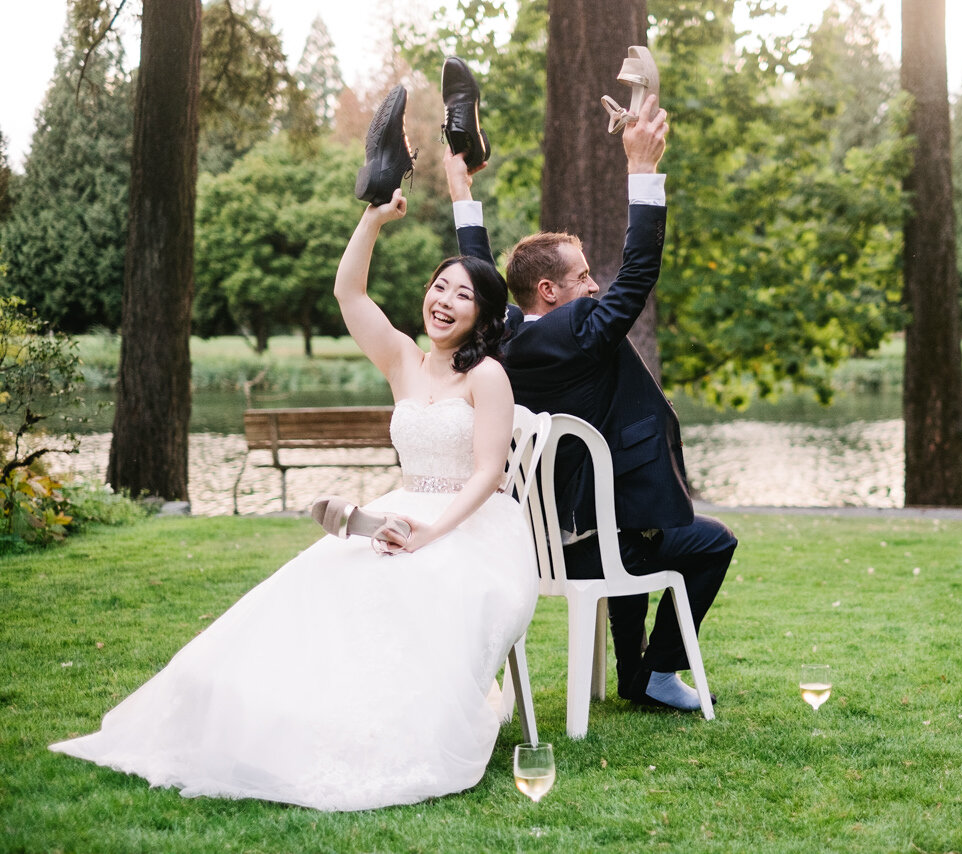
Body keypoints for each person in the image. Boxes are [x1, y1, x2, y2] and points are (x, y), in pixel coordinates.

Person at [49, 187, 538, 812]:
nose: (443, 302)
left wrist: (428, 534)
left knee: (414, 586)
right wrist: (373, 218)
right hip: (401, 512)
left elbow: (489, 474)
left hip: (471, 529)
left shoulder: (487, 375)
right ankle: (280, 711)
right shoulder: (404, 361)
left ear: (485, 314)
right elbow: (350, 294)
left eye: (463, 294)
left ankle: (382, 728)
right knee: (319, 581)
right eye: (439, 287)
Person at [445, 94, 737, 713]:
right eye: (582, 278)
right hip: (599, 547)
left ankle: (639, 678)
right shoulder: (578, 330)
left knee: (635, 524)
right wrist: (641, 171)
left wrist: (460, 189)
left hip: (547, 544)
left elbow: (476, 268)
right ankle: (657, 672)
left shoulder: (500, 338)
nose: (594, 286)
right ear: (550, 291)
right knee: (711, 543)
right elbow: (638, 272)